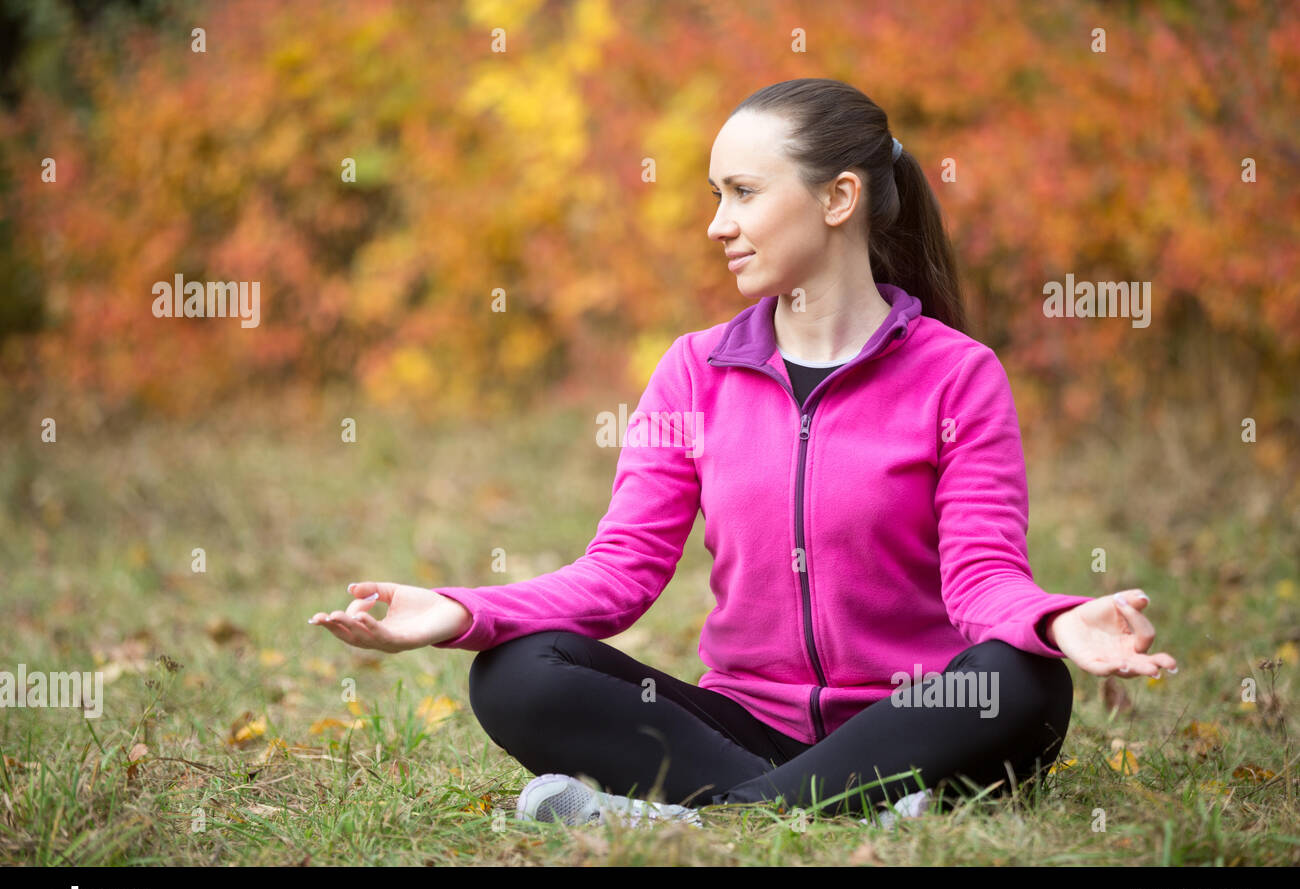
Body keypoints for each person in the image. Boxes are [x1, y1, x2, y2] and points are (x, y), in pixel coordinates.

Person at [309, 78, 1178, 828]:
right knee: (518, 672)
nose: (718, 225)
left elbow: (983, 577)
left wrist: (1055, 619)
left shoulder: (958, 376)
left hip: (917, 717)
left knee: (1019, 680)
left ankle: (687, 820)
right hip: (739, 724)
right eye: (714, 196)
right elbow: (618, 573)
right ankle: (843, 805)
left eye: (743, 193)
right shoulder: (692, 370)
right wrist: (460, 612)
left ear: (838, 199)